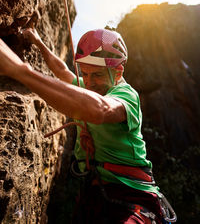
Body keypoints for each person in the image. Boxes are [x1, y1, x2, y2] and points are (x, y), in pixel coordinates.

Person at [0, 28, 175, 224]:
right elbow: (61, 71)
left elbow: (100, 110)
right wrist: (39, 42)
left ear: (118, 73)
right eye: (85, 73)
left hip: (131, 192)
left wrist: (18, 70)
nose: (89, 83)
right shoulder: (91, 85)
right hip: (97, 189)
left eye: (97, 75)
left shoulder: (126, 95)